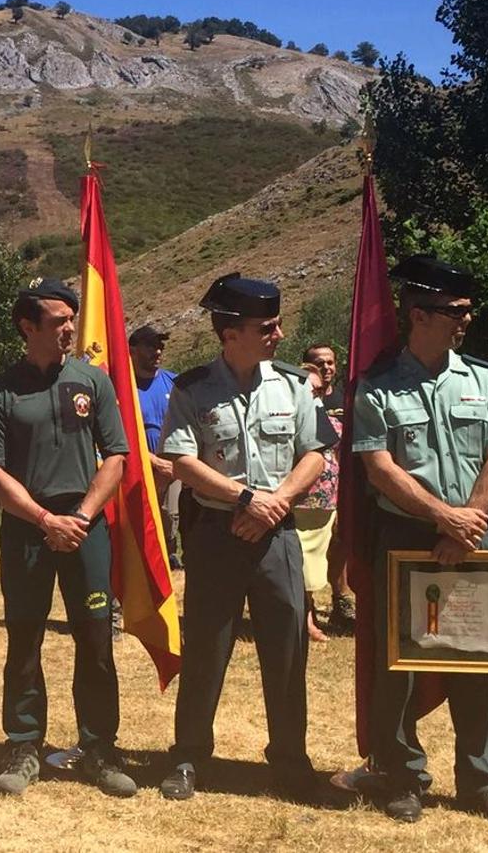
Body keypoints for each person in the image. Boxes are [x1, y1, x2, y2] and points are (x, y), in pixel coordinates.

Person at [352, 255, 488, 825]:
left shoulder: (485, 379)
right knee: (399, 666)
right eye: (456, 311)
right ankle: (402, 775)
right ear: (419, 314)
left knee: (475, 660)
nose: (465, 320)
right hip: (407, 534)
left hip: (473, 534)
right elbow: (378, 465)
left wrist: (467, 519)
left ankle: (479, 780)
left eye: (467, 310)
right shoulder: (377, 385)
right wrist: (442, 518)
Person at [157, 273, 331, 802]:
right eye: (267, 327)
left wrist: (273, 504)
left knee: (286, 649)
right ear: (231, 333)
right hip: (216, 533)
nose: (278, 334)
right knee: (207, 648)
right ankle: (188, 756)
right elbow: (181, 459)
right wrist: (243, 500)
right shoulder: (192, 389)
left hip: (276, 536)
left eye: (277, 325)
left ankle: (290, 760)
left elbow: (314, 454)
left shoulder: (294, 386)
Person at [0, 277, 136, 799]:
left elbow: (117, 456)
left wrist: (82, 517)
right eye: (57, 320)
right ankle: (23, 745)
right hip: (28, 530)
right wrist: (47, 521)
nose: (69, 328)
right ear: (28, 327)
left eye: (72, 318)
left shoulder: (93, 381)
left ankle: (98, 747)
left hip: (85, 529)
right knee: (24, 640)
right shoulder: (2, 390)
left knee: (94, 640)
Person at [303, 343, 355, 635]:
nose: (326, 368)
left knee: (340, 544)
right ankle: (307, 611)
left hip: (341, 485)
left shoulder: (345, 399)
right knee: (308, 549)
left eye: (330, 362)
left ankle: (341, 602)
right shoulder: (301, 396)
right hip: (309, 490)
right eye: (318, 363)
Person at [294, 363, 340, 643]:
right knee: (299, 565)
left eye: (318, 387)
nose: (315, 390)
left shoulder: (327, 414)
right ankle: (305, 620)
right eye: (310, 386)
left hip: (326, 501)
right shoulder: (292, 415)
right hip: (297, 500)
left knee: (314, 565)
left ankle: (306, 616)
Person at [129, 325, 182, 571]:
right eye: (151, 345)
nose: (158, 351)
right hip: (135, 464)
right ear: (133, 349)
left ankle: (169, 554)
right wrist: (149, 459)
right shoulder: (123, 384)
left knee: (170, 514)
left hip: (172, 464)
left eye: (160, 346)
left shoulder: (174, 382)